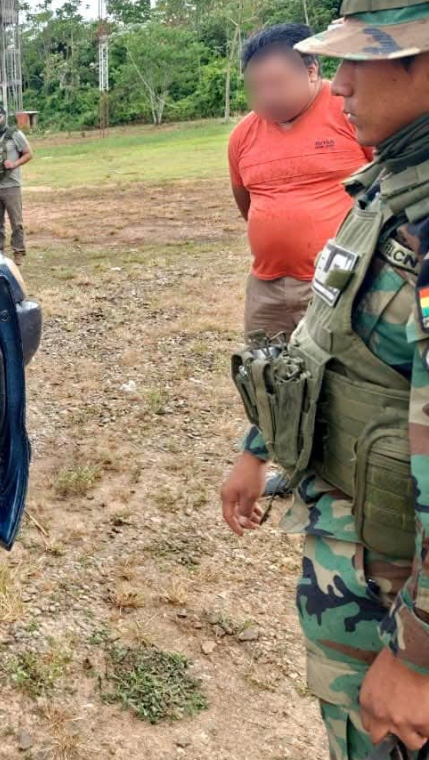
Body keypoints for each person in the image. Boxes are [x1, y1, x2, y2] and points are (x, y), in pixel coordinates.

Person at [222, 3, 429, 758]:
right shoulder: (389, 188)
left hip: (400, 606)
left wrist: (415, 655)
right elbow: (323, 346)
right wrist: (256, 447)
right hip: (362, 572)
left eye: (360, 60)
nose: (339, 84)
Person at [229, 22, 373, 341]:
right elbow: (246, 202)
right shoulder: (243, 135)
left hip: (342, 281)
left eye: (276, 84)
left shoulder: (352, 112)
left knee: (337, 375)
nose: (266, 96)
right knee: (264, 372)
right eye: (256, 87)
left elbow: (385, 186)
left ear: (311, 71)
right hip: (267, 286)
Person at [0, 105, 32, 261]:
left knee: (16, 222)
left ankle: (18, 252)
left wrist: (15, 164)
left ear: (3, 118)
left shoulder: (15, 135)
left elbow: (29, 153)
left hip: (11, 186)